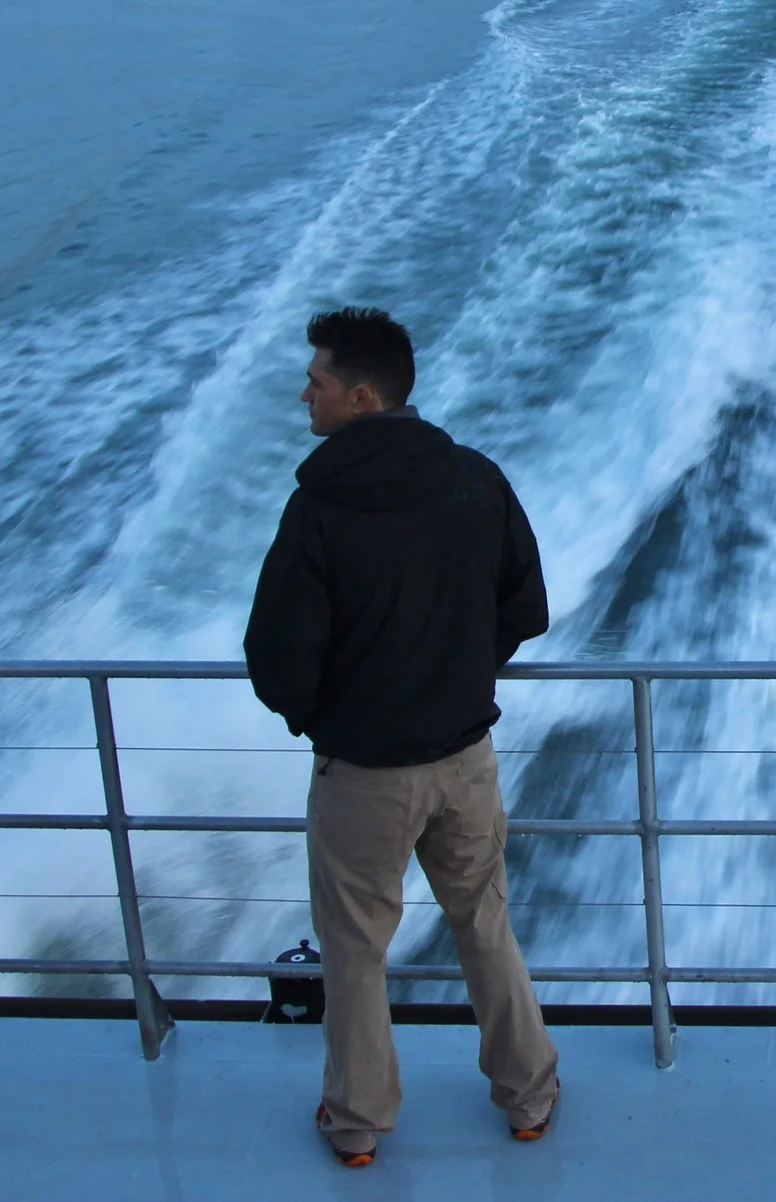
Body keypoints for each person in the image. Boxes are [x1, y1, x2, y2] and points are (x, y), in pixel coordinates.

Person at [243, 306, 561, 1169]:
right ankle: (529, 1098)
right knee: (484, 923)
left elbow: (277, 657)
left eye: (315, 381)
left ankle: (357, 1126)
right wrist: (458, 669)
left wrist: (327, 713)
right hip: (465, 758)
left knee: (353, 952)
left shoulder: (317, 509)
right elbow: (525, 605)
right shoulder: (473, 478)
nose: (303, 393)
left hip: (364, 775)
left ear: (359, 395)